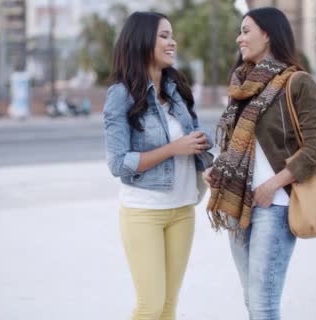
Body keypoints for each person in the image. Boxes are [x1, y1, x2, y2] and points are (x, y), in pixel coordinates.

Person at [203, 7, 316, 320]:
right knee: (252, 299)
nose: (239, 38)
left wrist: (274, 183)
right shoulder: (241, 86)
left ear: (268, 34)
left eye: (246, 30)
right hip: (238, 205)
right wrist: (218, 169)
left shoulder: (298, 83)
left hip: (275, 205)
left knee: (263, 303)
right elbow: (236, 144)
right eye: (239, 31)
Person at [103, 11, 213, 320]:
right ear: (141, 41)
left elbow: (195, 142)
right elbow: (118, 163)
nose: (172, 42)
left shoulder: (175, 90)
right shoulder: (121, 95)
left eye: (171, 35)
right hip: (143, 213)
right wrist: (174, 148)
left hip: (182, 210)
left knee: (168, 306)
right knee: (149, 307)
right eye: (163, 36)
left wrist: (207, 160)